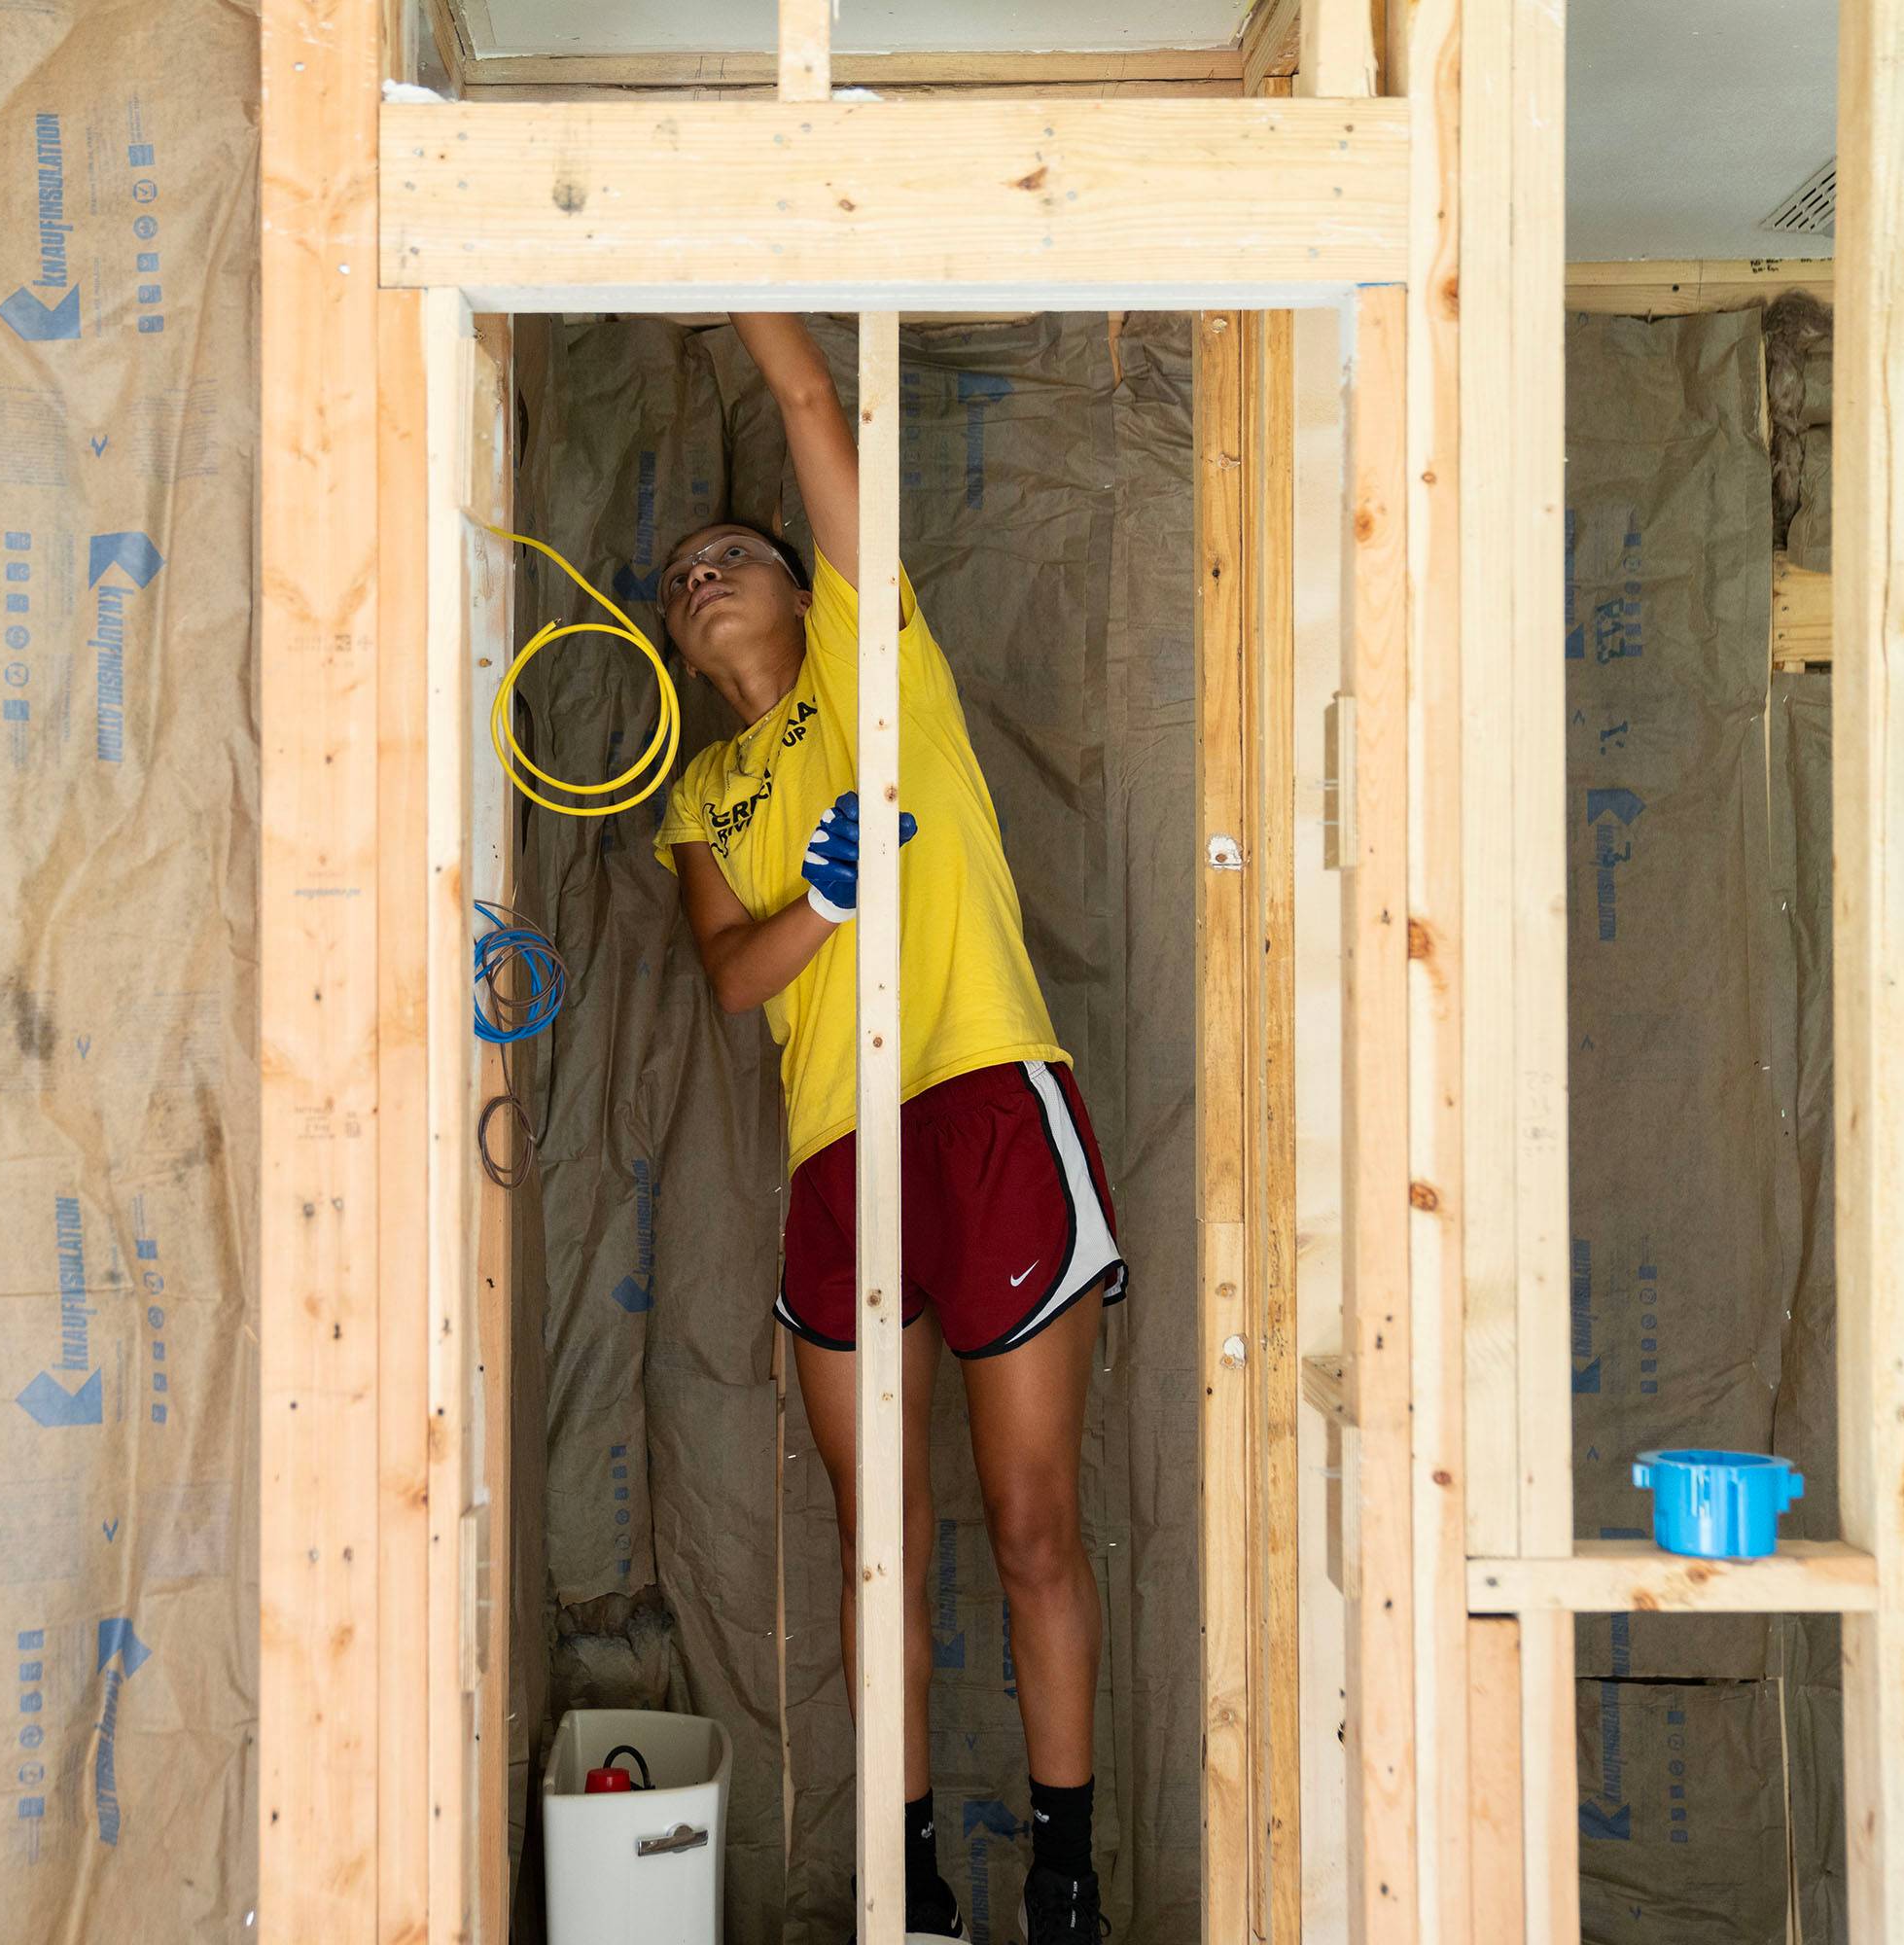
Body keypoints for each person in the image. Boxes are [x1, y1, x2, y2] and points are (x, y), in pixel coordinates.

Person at [652, 313, 1126, 1944]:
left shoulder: (878, 653)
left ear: (806, 583)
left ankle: (1063, 1881)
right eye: (682, 576)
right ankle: (908, 1887)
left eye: (737, 553)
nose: (706, 574)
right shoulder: (700, 800)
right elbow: (727, 976)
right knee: (881, 1550)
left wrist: (740, 278)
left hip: (985, 1094)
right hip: (835, 1159)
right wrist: (829, 907)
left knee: (1031, 1518)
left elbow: (800, 395)